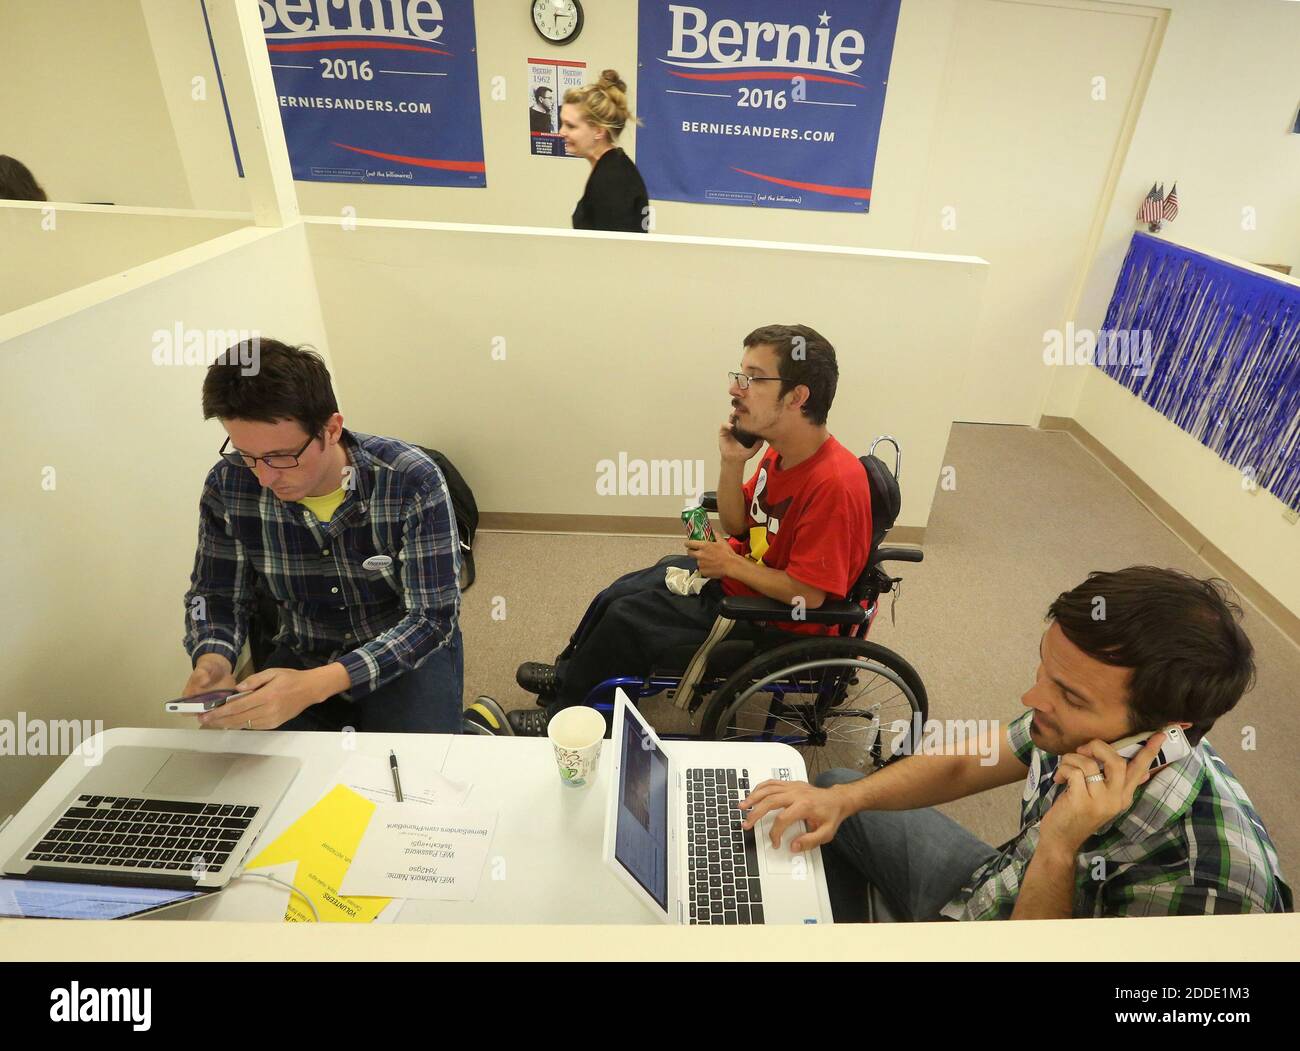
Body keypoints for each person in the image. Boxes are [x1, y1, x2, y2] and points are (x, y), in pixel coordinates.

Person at [740, 567, 1293, 919]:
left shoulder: (1212, 894)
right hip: (990, 889)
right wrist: (845, 803)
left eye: (1069, 696)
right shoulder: (1080, 730)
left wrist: (1058, 847)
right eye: (1044, 670)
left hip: (1023, 928)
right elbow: (964, 764)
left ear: (1159, 737)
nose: (1032, 697)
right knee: (839, 788)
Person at [505, 324, 872, 735]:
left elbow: (809, 594)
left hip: (774, 618)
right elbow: (737, 523)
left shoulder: (834, 483)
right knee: (622, 590)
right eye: (739, 375)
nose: (737, 389)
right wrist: (733, 461)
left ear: (798, 396)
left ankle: (568, 715)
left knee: (629, 617)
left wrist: (730, 566)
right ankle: (571, 673)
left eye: (753, 378)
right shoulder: (779, 452)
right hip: (744, 580)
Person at [180, 339, 481, 734]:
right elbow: (217, 595)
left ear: (332, 429)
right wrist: (214, 659)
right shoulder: (228, 485)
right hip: (304, 647)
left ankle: (475, 725)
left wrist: (318, 685)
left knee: (419, 777)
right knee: (260, 777)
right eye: (247, 455)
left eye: (281, 456)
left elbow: (431, 620)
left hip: (401, 651)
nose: (264, 476)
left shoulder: (411, 480)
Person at [560, 69, 649, 233]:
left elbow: (614, 253)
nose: (561, 132)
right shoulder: (611, 167)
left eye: (570, 126)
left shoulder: (613, 179)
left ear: (599, 131)